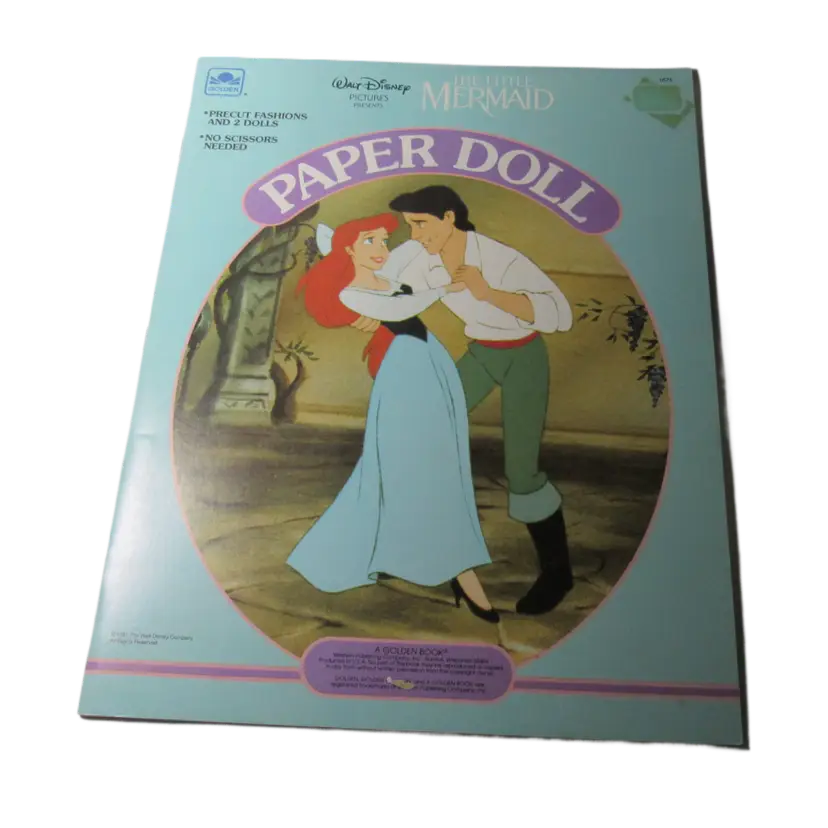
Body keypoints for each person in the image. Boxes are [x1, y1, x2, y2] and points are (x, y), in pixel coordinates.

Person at [351, 185, 574, 616]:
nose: (415, 234)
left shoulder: (500, 258)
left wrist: (489, 293)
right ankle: (403, 549)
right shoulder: (417, 254)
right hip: (481, 354)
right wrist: (369, 310)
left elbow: (559, 314)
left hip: (524, 357)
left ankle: (557, 572)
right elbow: (382, 285)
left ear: (449, 218)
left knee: (521, 471)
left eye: (421, 224)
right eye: (410, 226)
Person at [285, 212, 499, 626]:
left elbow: (414, 252)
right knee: (417, 463)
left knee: (424, 460)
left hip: (431, 363)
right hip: (405, 371)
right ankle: (460, 569)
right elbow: (406, 304)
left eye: (383, 240)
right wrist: (443, 287)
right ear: (348, 250)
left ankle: (395, 551)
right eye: (370, 241)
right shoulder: (352, 293)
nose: (382, 248)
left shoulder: (386, 274)